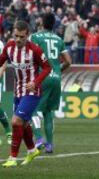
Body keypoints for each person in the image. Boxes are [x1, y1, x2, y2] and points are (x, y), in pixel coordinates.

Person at [0, 20, 52, 167]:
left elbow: (47, 68)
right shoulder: (9, 47)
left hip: (32, 92)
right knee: (24, 123)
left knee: (15, 121)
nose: (18, 39)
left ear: (27, 35)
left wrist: (35, 82)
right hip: (18, 91)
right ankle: (32, 150)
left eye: (22, 37)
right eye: (16, 36)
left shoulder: (35, 50)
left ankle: (12, 158)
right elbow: (0, 60)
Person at [29, 13, 72, 153]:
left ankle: (39, 138)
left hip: (42, 76)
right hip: (55, 78)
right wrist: (57, 71)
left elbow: (30, 56)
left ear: (42, 21)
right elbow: (68, 61)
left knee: (31, 108)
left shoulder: (35, 37)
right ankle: (50, 145)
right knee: (48, 112)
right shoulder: (59, 39)